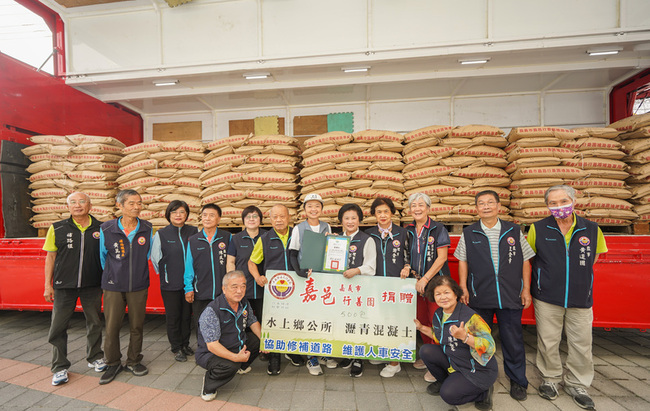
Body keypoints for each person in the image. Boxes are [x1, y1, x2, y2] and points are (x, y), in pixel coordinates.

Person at [527, 185, 607, 410]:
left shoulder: (591, 229)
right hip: (547, 296)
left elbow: (595, 258)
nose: (558, 207)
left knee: (582, 342)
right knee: (548, 340)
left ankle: (577, 384)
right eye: (552, 203)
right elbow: (531, 259)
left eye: (563, 201)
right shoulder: (538, 228)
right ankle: (550, 379)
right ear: (547, 206)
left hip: (581, 296)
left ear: (573, 201)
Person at [455, 190, 535, 401]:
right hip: (480, 294)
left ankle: (518, 381)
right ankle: (482, 384)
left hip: (509, 295)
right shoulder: (469, 232)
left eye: (491, 202)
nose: (486, 206)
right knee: (480, 340)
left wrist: (526, 289)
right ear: (476, 209)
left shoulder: (513, 230)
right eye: (482, 203)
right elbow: (462, 260)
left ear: (499, 206)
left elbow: (526, 260)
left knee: (513, 340)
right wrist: (463, 286)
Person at [43, 192, 106, 386]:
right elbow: (50, 257)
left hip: (92, 285)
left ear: (90, 205)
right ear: (68, 206)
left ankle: (95, 356)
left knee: (94, 322)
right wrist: (48, 284)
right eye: (73, 202)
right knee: (58, 327)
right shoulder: (57, 228)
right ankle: (60, 366)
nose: (77, 205)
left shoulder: (101, 228)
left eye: (82, 202)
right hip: (64, 286)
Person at [415, 275, 497, 410]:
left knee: (448, 395)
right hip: (455, 360)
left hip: (478, 369)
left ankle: (483, 392)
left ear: (455, 293)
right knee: (426, 350)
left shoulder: (471, 317)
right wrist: (421, 328)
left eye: (447, 292)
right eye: (438, 294)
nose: (443, 297)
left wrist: (465, 337)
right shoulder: (438, 314)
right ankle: (445, 381)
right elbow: (439, 337)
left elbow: (490, 347)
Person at [99, 189, 153, 385]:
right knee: (112, 326)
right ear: (119, 206)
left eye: (139, 203)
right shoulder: (106, 228)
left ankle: (133, 360)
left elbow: (148, 254)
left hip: (138, 284)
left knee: (136, 325)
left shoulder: (147, 228)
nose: (137, 207)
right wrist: (115, 275)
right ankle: (112, 362)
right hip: (113, 286)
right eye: (131, 203)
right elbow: (103, 257)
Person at [248, 204, 305, 375]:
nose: (279, 220)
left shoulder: (298, 235)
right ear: (270, 219)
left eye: (282, 216)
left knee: (295, 321)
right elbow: (252, 262)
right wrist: (258, 277)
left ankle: (293, 351)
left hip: (298, 288)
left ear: (289, 218)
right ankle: (274, 357)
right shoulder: (265, 239)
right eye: (275, 217)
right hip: (275, 291)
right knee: (273, 324)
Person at [196, 270, 262, 401]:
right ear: (224, 289)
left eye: (243, 286)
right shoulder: (212, 311)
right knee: (230, 365)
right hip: (211, 353)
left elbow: (253, 321)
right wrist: (235, 358)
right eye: (235, 287)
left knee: (257, 340)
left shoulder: (244, 303)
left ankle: (241, 366)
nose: (239, 291)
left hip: (236, 344)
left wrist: (265, 341)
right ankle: (209, 385)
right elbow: (212, 345)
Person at [405, 192, 451, 381]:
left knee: (437, 321)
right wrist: (408, 267)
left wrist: (425, 279)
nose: (417, 209)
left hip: (435, 283)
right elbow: (405, 254)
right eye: (413, 205)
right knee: (421, 319)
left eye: (421, 205)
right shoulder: (407, 230)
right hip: (415, 283)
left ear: (428, 208)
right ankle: (427, 356)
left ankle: (438, 363)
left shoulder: (438, 229)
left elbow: (442, 258)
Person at [288, 193, 335, 376]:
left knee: (324, 316)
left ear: (322, 209)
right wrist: (298, 271)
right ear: (305, 209)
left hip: (323, 279)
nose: (314, 209)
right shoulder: (299, 229)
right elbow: (292, 253)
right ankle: (311, 357)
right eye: (310, 206)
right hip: (307, 279)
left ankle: (323, 353)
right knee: (309, 318)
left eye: (317, 206)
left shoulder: (327, 226)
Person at [365, 197, 410, 378]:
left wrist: (407, 267)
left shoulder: (403, 233)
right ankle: (382, 352)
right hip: (375, 284)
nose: (382, 215)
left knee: (395, 320)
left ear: (392, 213)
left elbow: (409, 255)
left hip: (396, 284)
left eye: (386, 211)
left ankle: (394, 361)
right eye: (378, 212)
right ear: (374, 215)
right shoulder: (369, 234)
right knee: (378, 319)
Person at [151, 200, 198, 362]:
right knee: (173, 316)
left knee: (187, 315)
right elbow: (155, 259)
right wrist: (166, 274)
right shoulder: (161, 234)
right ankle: (176, 347)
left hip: (189, 285)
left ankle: (185, 344)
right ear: (168, 214)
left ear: (187, 214)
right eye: (174, 212)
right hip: (170, 284)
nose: (178, 216)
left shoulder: (194, 232)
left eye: (182, 212)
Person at [337, 203, 377, 377]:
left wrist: (357, 270)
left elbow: (371, 266)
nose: (350, 221)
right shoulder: (336, 239)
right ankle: (347, 354)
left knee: (358, 323)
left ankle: (358, 358)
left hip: (360, 290)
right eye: (346, 218)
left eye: (354, 218)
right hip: (340, 289)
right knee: (343, 321)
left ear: (359, 220)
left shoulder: (367, 239)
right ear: (341, 221)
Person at [184, 204, 232, 329]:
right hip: (201, 291)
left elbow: (232, 263)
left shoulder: (227, 238)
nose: (207, 218)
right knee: (202, 325)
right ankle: (203, 348)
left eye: (212, 215)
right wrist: (188, 288)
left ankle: (222, 349)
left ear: (219, 219)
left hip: (223, 292)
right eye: (204, 215)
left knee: (223, 324)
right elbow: (189, 266)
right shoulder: (194, 240)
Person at [226, 206, 267, 331]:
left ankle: (267, 349)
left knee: (265, 319)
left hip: (264, 287)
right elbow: (231, 262)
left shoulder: (267, 236)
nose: (251, 219)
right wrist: (232, 283)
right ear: (243, 220)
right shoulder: (236, 239)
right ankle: (248, 348)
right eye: (248, 217)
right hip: (243, 288)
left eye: (255, 216)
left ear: (260, 219)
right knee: (244, 321)